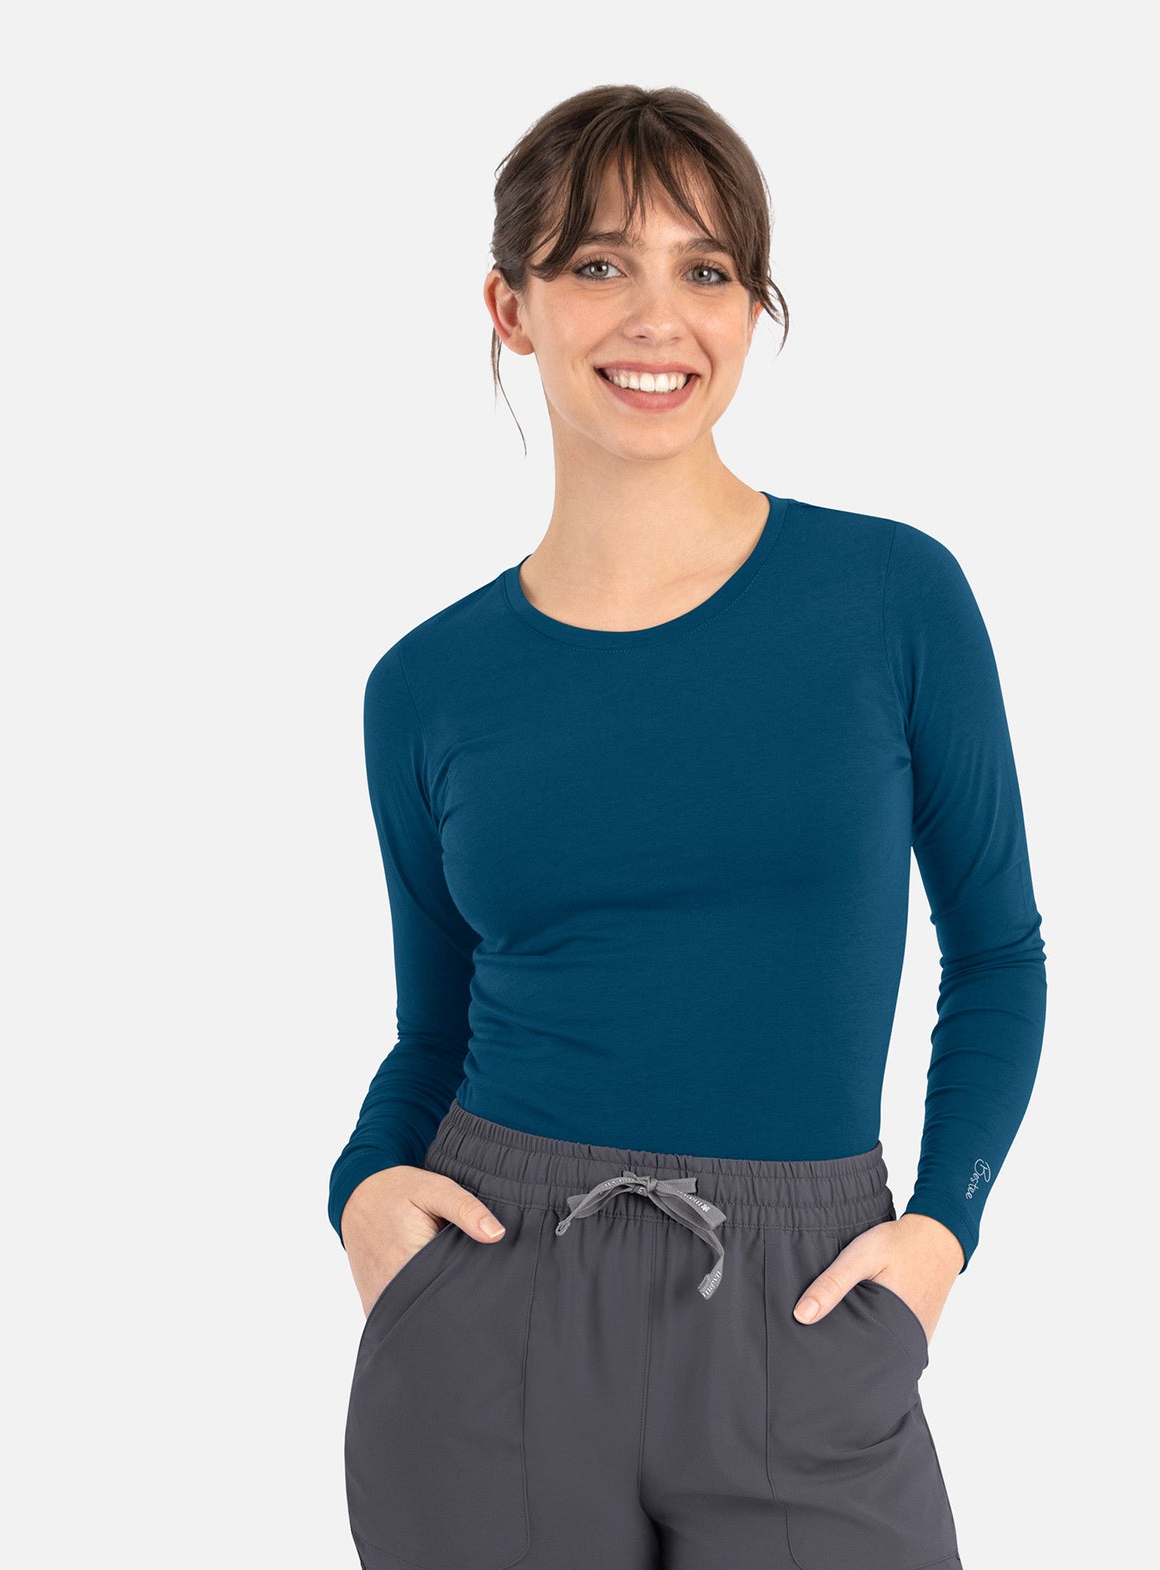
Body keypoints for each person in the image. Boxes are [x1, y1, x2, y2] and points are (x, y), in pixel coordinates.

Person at [329, 83, 1046, 1570]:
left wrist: (939, 1235)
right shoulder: (426, 686)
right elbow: (435, 1027)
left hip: (808, 1297)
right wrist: (360, 1195)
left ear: (749, 308)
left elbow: (997, 954)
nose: (657, 317)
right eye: (598, 263)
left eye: (705, 268)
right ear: (509, 308)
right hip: (494, 1312)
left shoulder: (891, 599)